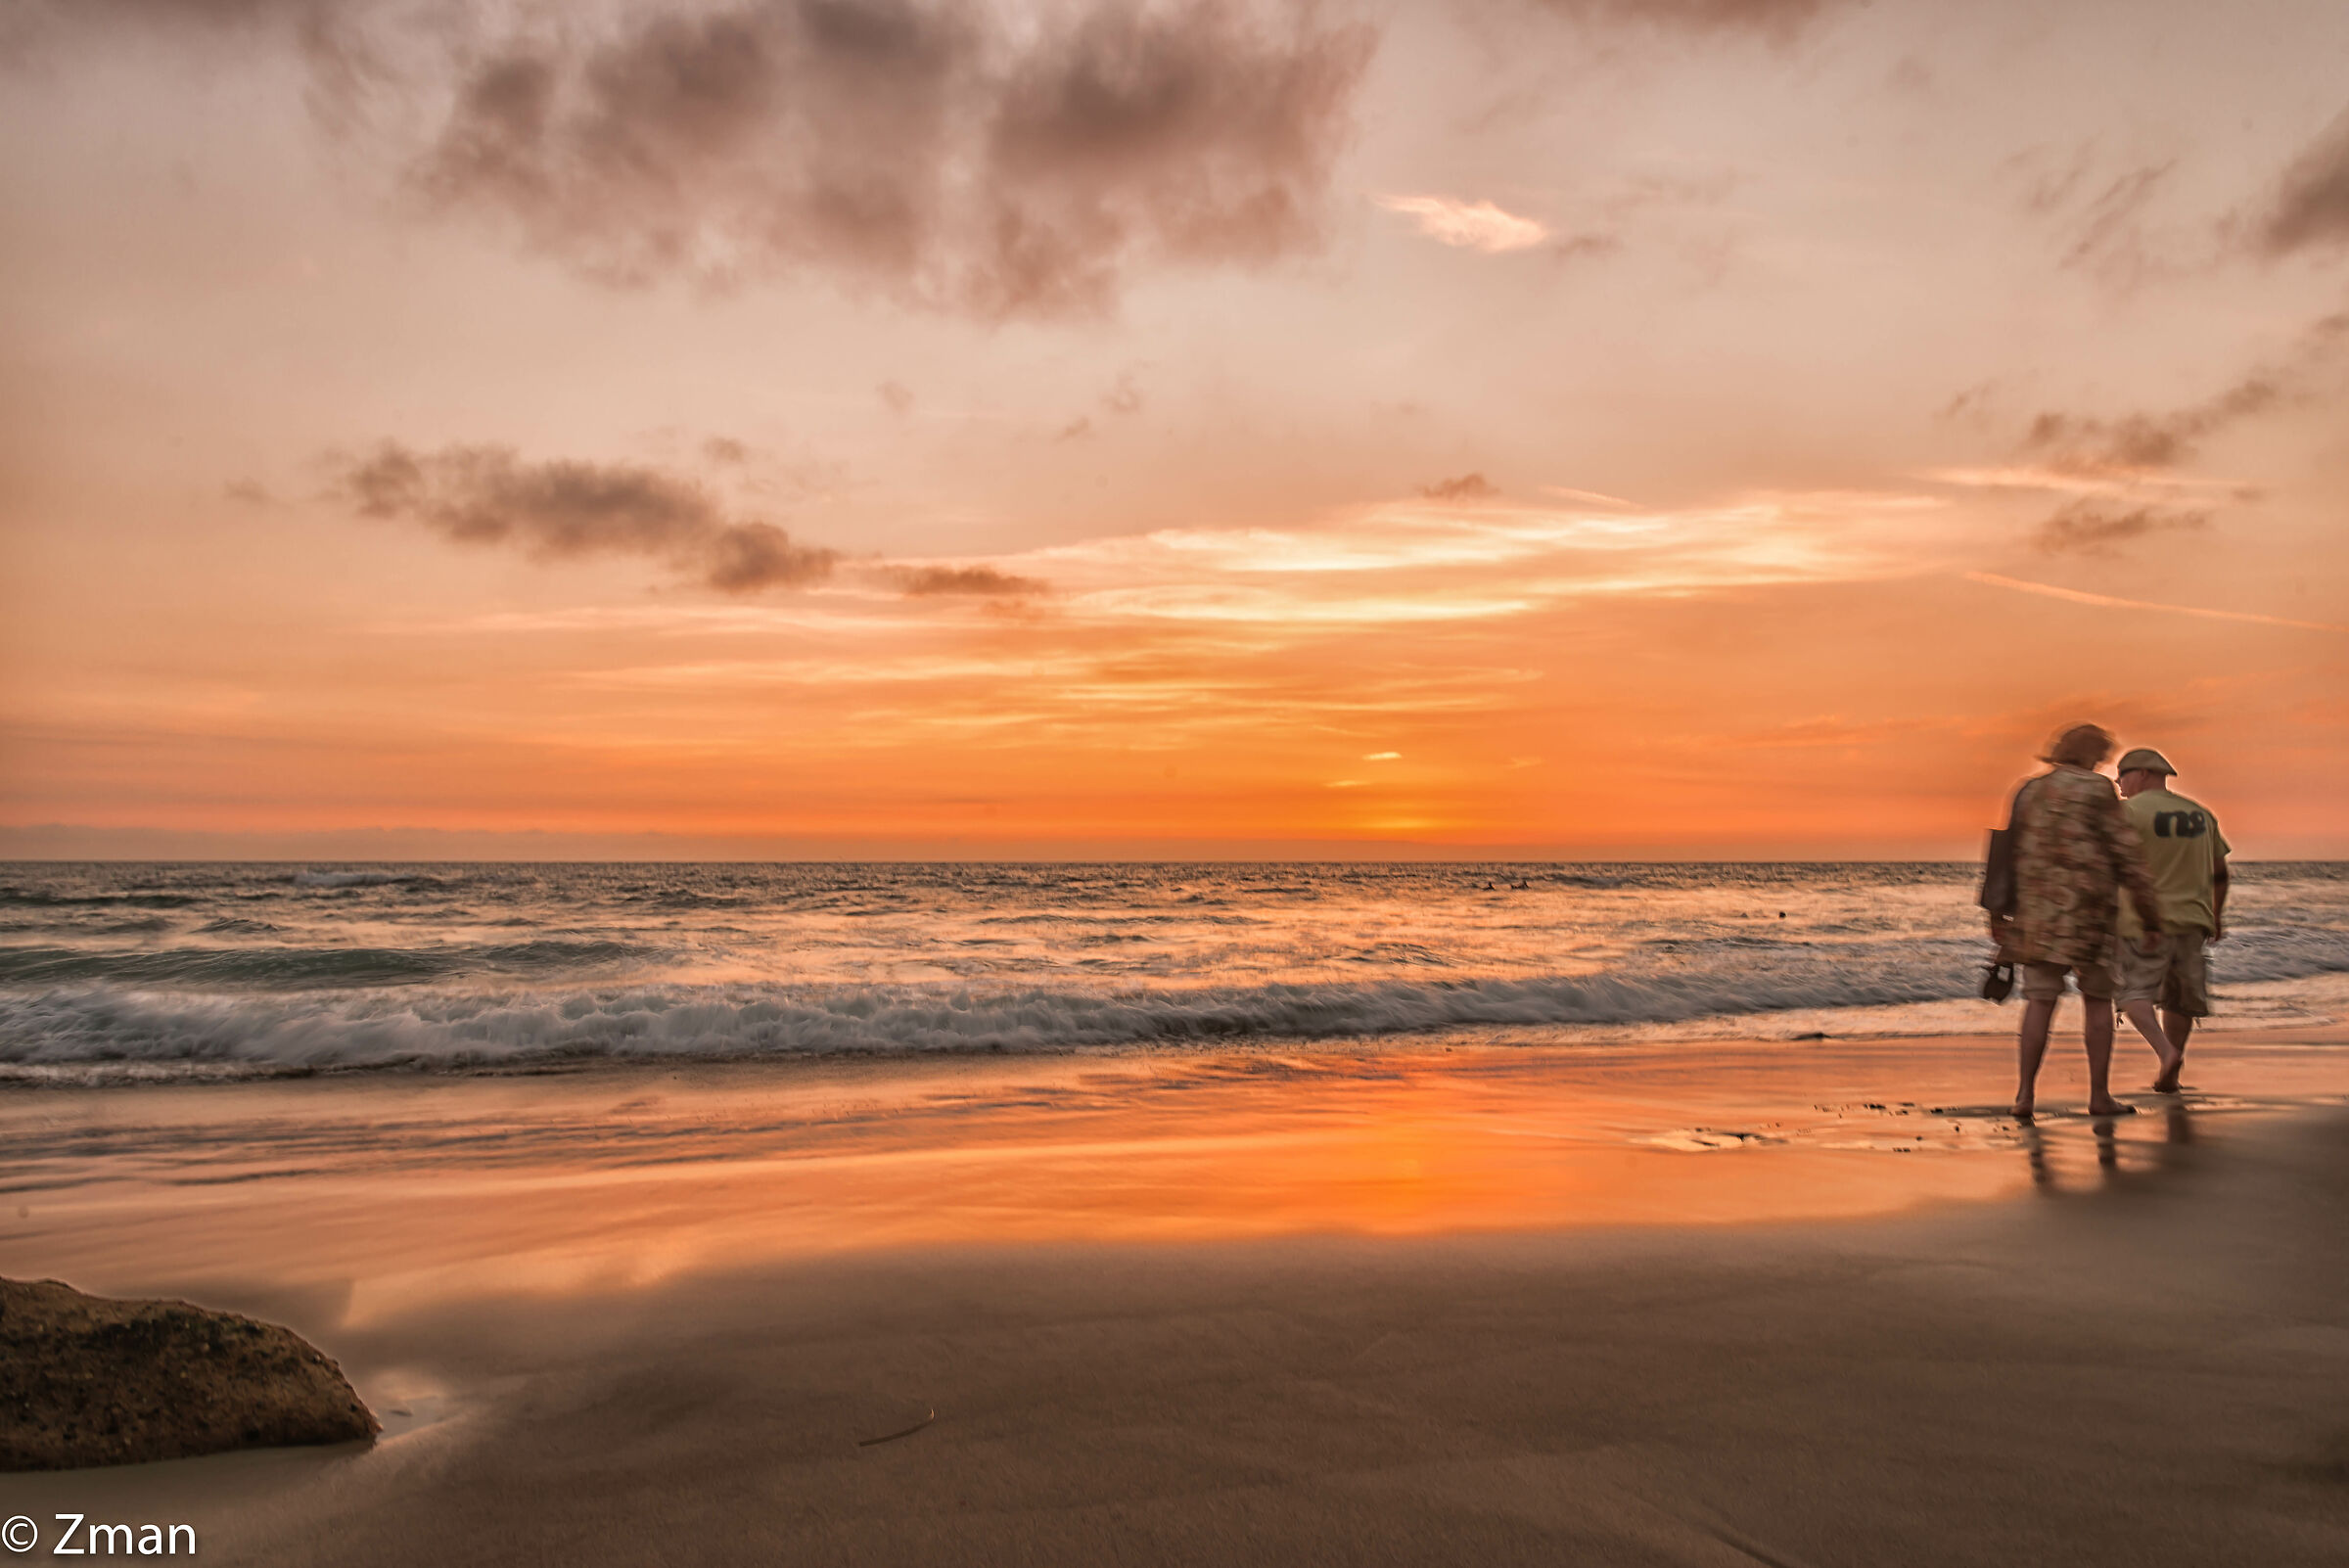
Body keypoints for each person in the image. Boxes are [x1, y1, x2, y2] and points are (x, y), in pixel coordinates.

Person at [1989, 723, 2165, 1120]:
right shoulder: (2097, 790)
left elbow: (2005, 849)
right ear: (2093, 755)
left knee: (2039, 1002)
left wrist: (1997, 913)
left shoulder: (2028, 790)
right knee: (2098, 1001)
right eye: (2102, 756)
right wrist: (2151, 915)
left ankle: (2024, 1096)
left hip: (2035, 917)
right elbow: (2127, 854)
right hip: (2090, 917)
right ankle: (2099, 1097)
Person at [2113, 747, 2229, 1094]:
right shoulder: (2201, 815)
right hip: (2193, 920)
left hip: (2140, 921)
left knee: (2132, 991)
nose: (2118, 783)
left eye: (2122, 774)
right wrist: (2216, 915)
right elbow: (2220, 874)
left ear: (2144, 774)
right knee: (2180, 998)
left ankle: (2165, 1051)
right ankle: (2172, 1074)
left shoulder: (2126, 813)